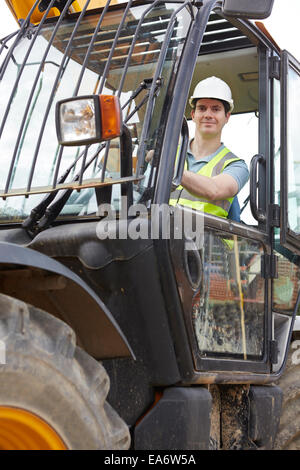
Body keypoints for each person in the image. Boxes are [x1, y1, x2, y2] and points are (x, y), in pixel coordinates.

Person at [170, 76, 249, 221]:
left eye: (215, 109)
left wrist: (168, 168)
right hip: (162, 238)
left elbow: (214, 189)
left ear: (227, 117)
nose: (208, 114)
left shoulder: (237, 166)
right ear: (193, 115)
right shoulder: (169, 153)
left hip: (208, 242)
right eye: (202, 108)